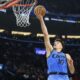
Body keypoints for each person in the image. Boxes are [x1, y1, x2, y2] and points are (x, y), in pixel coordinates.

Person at [35, 7, 75, 80]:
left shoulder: (66, 55)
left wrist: (71, 64)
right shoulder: (50, 50)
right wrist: (41, 19)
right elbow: (46, 34)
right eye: (55, 42)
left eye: (57, 42)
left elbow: (72, 72)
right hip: (53, 77)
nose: (55, 43)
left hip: (65, 77)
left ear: (61, 46)